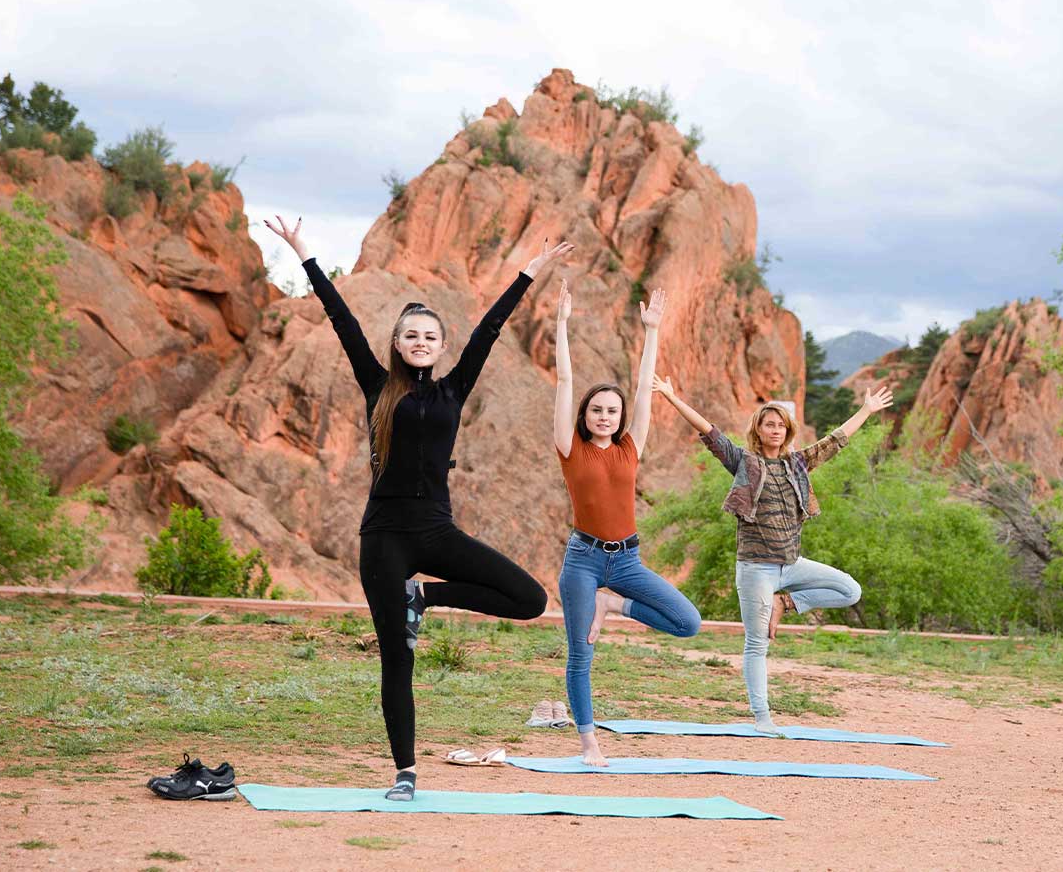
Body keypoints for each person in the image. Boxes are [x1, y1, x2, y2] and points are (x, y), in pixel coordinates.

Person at [264, 216, 568, 800]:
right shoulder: (377, 386)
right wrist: (304, 255)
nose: (421, 343)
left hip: (435, 531)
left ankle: (422, 597)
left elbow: (490, 329)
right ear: (398, 345)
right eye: (411, 336)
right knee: (396, 660)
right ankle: (405, 773)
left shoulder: (454, 389)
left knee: (529, 599)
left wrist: (529, 272)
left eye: (430, 336)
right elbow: (340, 319)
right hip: (384, 538)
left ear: (442, 345)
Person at [653, 376, 892, 733]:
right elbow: (710, 432)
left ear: (788, 430)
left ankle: (787, 604)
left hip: (792, 565)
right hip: (756, 569)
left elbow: (836, 441)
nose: (776, 430)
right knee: (756, 643)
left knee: (850, 590)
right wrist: (672, 397)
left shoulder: (798, 463)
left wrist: (867, 410)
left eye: (781, 425)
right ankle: (762, 718)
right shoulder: (744, 462)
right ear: (759, 430)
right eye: (769, 424)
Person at [553, 280, 701, 766]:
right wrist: (562, 325)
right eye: (596, 409)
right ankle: (589, 743)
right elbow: (564, 383)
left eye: (611, 411)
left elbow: (643, 388)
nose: (604, 415)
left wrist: (652, 331)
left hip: (627, 562)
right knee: (580, 655)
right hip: (583, 562)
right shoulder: (569, 448)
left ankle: (613, 605)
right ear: (585, 415)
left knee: (687, 622)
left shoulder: (630, 445)